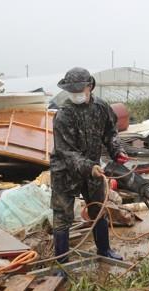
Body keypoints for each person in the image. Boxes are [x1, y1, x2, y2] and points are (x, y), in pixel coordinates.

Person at [50, 67, 126, 272]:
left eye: (79, 89)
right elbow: (66, 152)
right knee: (62, 215)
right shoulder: (63, 115)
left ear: (90, 86)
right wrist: (89, 167)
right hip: (65, 170)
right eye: (71, 90)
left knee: (97, 208)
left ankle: (104, 249)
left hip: (92, 168)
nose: (76, 93)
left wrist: (116, 150)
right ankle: (61, 263)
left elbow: (111, 132)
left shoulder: (101, 107)